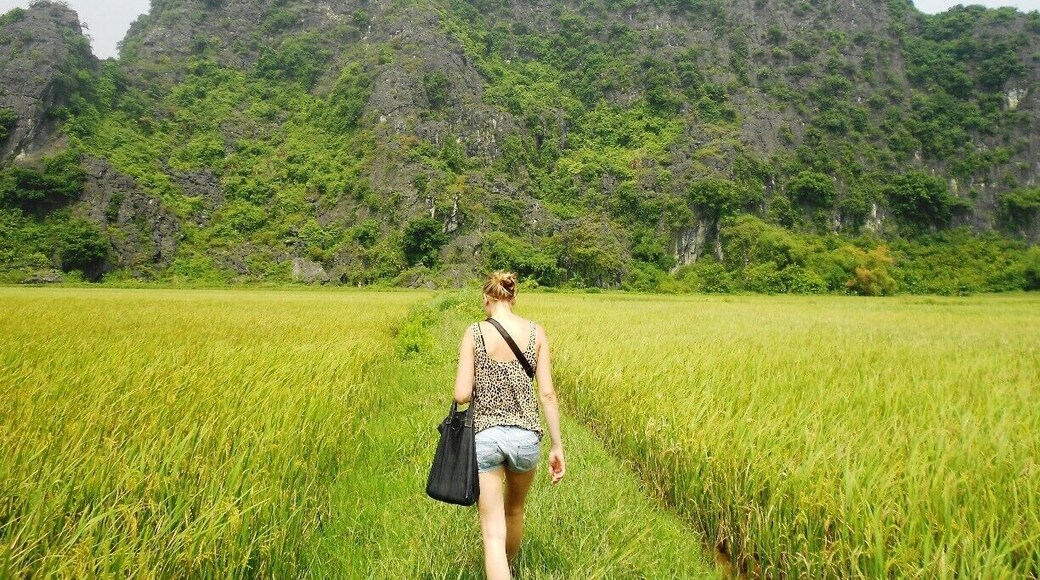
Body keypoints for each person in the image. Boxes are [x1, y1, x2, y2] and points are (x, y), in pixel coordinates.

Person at [453, 271, 565, 580]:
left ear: (486, 298)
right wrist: (557, 446)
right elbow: (548, 394)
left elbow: (461, 394)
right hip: (526, 438)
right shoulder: (536, 332)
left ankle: (500, 571)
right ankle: (510, 569)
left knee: (492, 533)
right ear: (513, 298)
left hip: (486, 436)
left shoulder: (474, 332)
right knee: (514, 510)